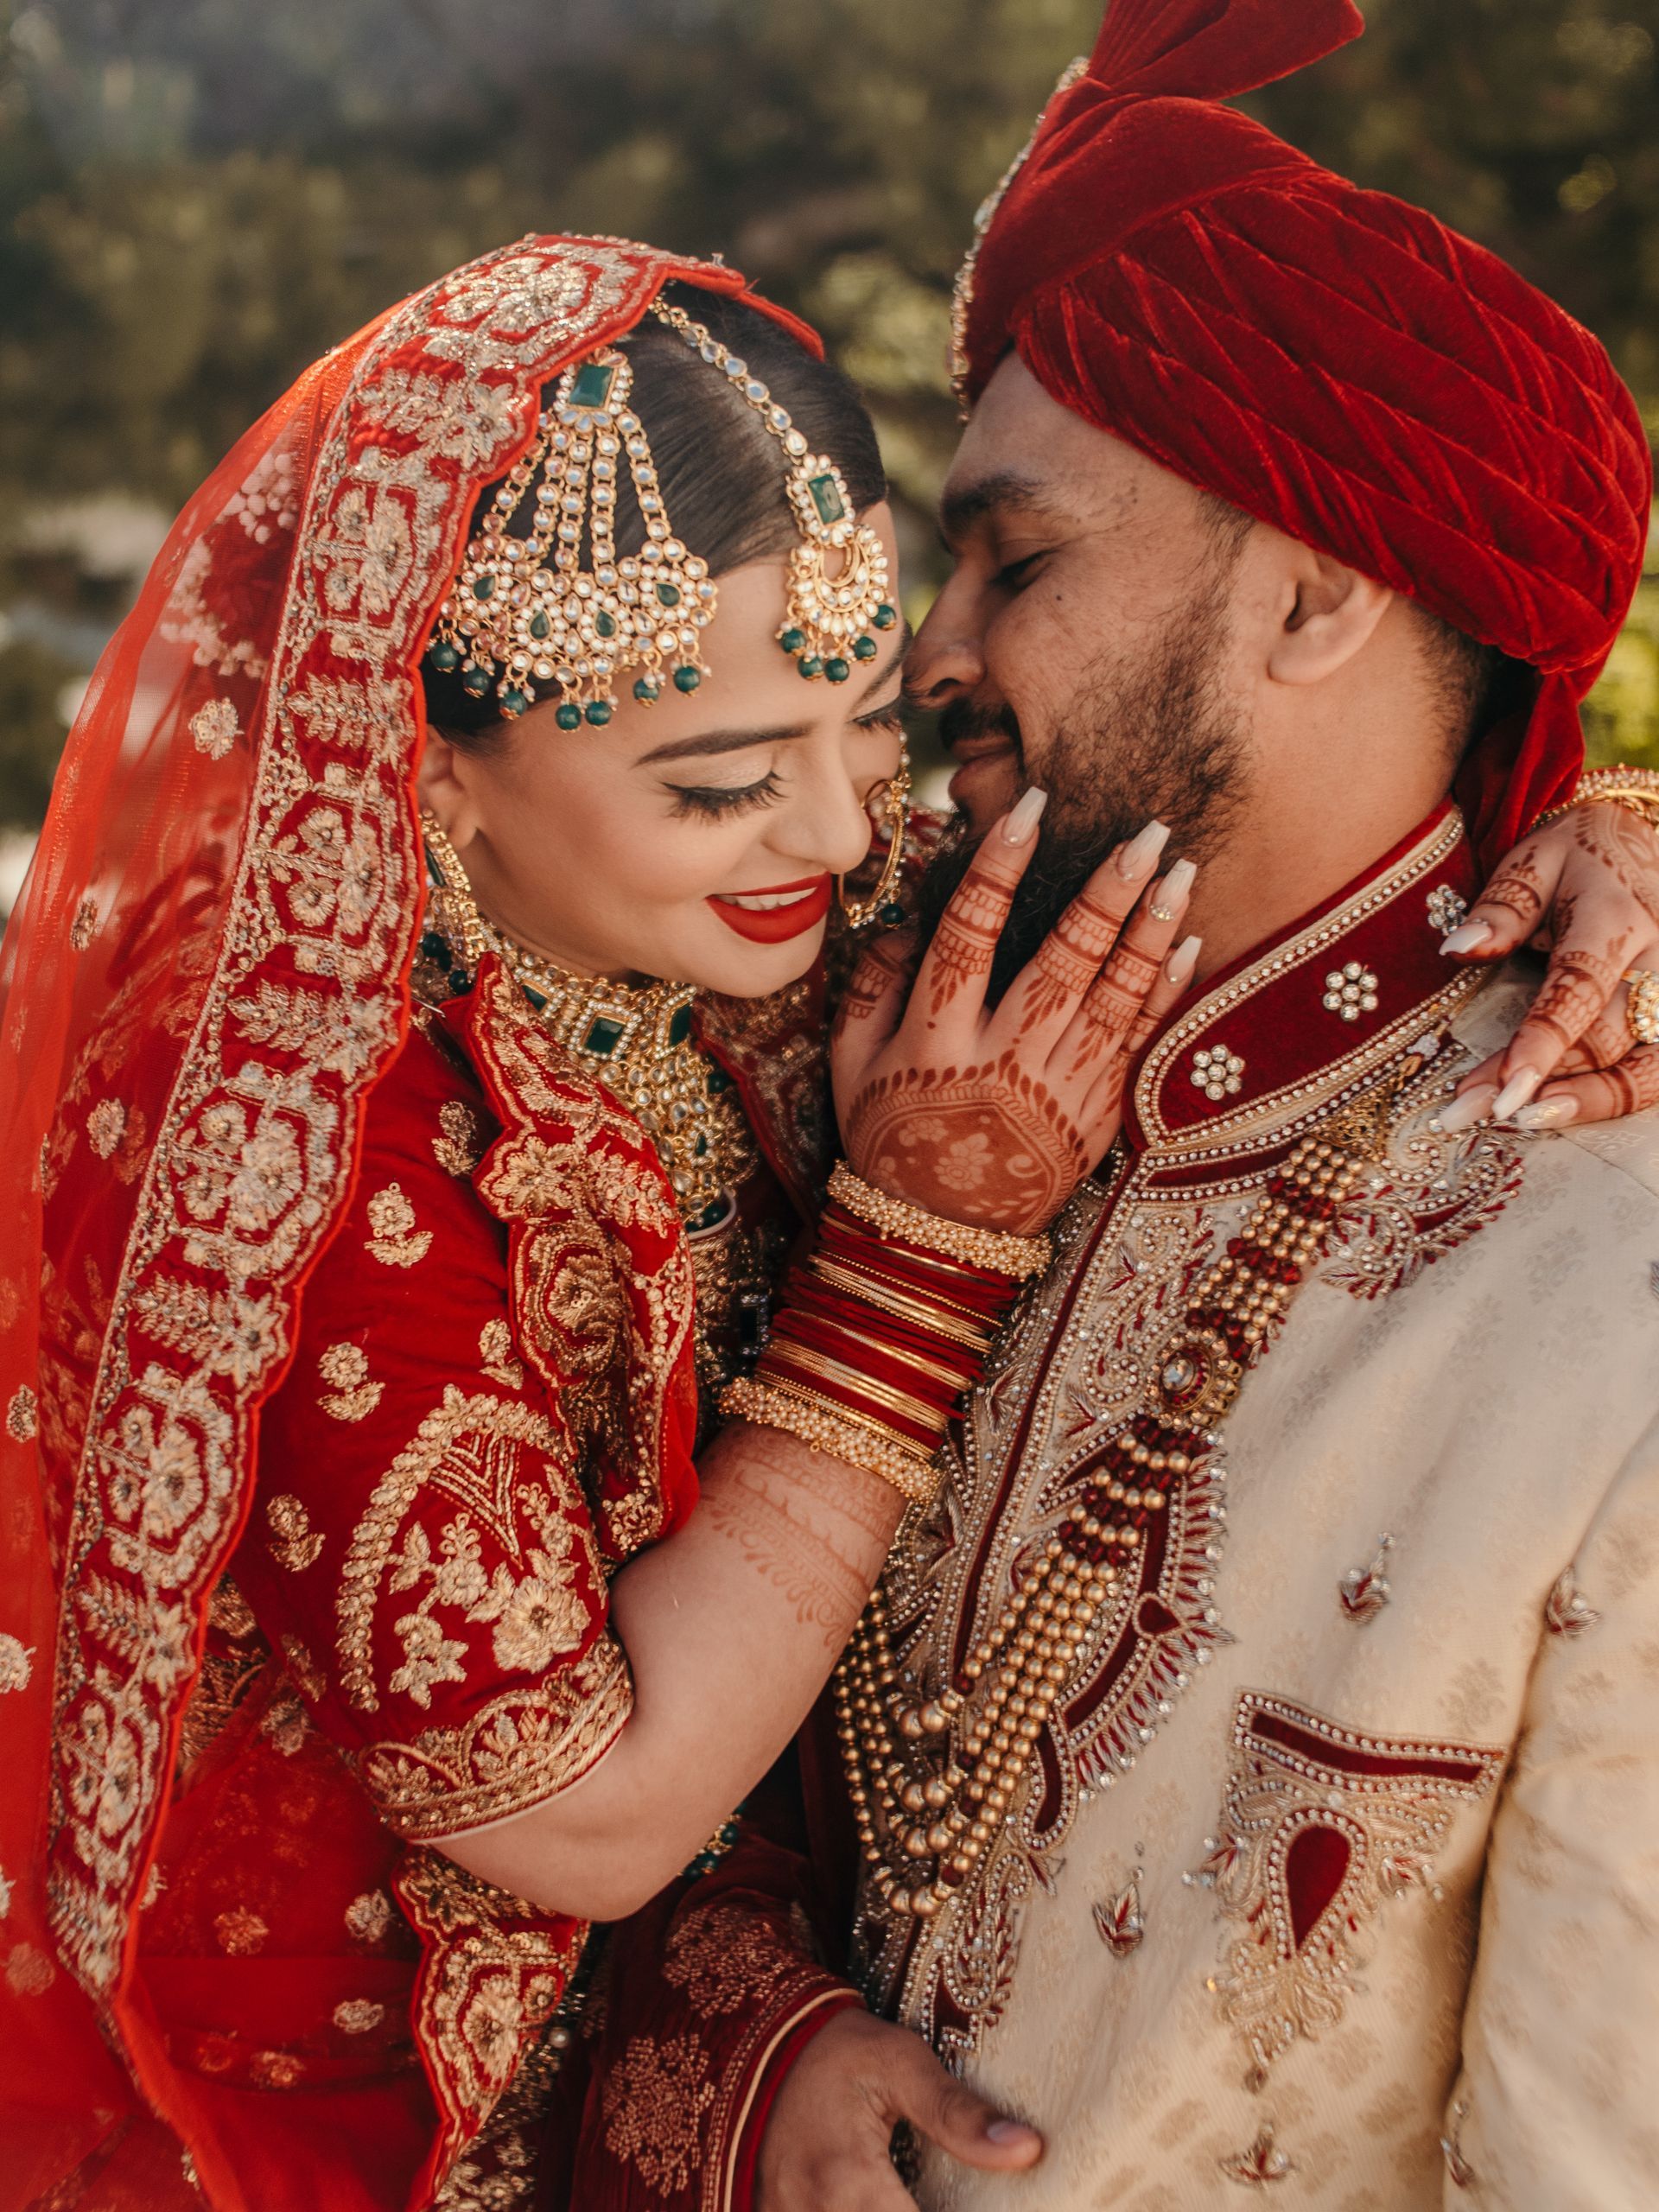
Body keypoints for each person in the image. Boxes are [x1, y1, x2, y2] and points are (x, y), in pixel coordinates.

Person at [571, 6, 1659, 2208]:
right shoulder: (872, 1073)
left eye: (1016, 560)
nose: (928, 651)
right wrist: (751, 2042)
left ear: (1326, 587)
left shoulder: (1608, 1272)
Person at [0, 236, 1198, 2212]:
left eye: (873, 722)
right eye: (726, 779)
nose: (833, 833)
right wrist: (908, 1267)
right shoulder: (290, 1092)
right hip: (314, 2138)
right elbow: (582, 1817)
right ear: (435, 757)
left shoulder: (726, 904)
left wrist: (1604, 842)